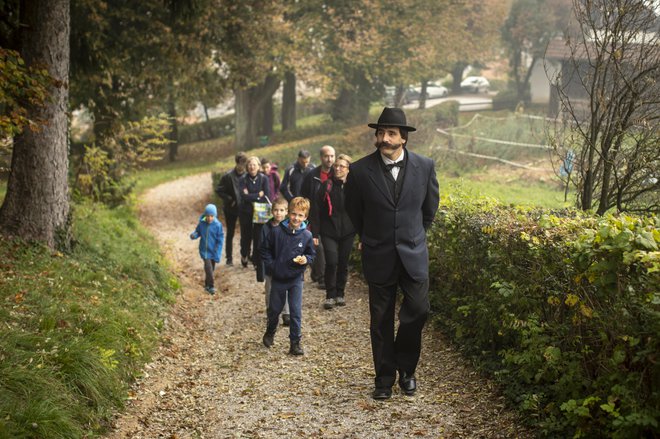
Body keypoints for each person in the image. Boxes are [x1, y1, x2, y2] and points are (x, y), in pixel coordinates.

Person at [345, 107, 439, 400]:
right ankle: (384, 378)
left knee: (418, 310)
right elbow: (354, 212)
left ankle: (407, 370)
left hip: (414, 254)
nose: (384, 138)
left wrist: (413, 236)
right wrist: (371, 237)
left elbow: (429, 210)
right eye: (380, 133)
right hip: (378, 253)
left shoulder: (425, 167)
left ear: (404, 139)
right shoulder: (360, 171)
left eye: (390, 133)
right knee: (381, 320)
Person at [260, 197, 316, 356]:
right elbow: (265, 250)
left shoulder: (307, 236)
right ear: (288, 214)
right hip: (278, 278)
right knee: (275, 310)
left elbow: (311, 254)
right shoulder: (276, 232)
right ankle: (270, 331)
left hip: (296, 279)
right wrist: (272, 266)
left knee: (295, 312)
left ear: (305, 217)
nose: (296, 218)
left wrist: (306, 259)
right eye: (293, 214)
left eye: (300, 215)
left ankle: (295, 343)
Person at [310, 154, 356, 310]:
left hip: (348, 232)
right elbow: (315, 211)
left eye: (342, 166)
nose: (337, 168)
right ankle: (330, 295)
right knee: (331, 262)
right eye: (336, 166)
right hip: (328, 231)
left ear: (348, 169)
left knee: (343, 263)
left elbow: (361, 210)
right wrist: (314, 234)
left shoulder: (354, 187)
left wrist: (363, 234)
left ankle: (340, 294)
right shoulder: (326, 186)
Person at [301, 145, 335, 289]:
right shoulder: (312, 175)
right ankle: (321, 277)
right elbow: (303, 194)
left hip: (332, 218)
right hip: (314, 217)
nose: (330, 159)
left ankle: (318, 274)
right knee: (318, 246)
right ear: (321, 158)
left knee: (328, 248)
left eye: (332, 156)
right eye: (327, 156)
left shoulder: (337, 173)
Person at [260, 197, 291, 326]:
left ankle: (286, 313)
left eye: (281, 210)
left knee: (286, 290)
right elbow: (262, 247)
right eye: (276, 210)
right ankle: (271, 311)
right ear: (272, 212)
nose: (278, 213)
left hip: (285, 266)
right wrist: (268, 264)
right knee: (270, 290)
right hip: (270, 266)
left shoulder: (289, 227)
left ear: (286, 212)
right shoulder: (266, 228)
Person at [238, 156, 270, 270]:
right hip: (245, 211)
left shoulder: (264, 179)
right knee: (246, 235)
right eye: (250, 165)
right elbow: (243, 196)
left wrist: (251, 196)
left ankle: (256, 259)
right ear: (247, 167)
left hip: (261, 211)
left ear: (259, 167)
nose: (252, 167)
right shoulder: (243, 179)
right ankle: (244, 254)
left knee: (259, 236)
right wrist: (257, 195)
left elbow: (266, 195)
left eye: (254, 165)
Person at [215, 152, 247, 266]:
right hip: (231, 208)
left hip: (244, 208)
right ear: (237, 163)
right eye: (240, 164)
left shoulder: (247, 175)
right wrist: (229, 199)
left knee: (245, 233)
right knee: (230, 233)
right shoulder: (228, 176)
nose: (242, 167)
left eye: (244, 164)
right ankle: (229, 258)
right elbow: (219, 190)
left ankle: (245, 256)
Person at [189, 203, 225, 295]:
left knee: (211, 269)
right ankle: (212, 286)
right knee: (208, 268)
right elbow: (198, 232)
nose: (209, 218)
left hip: (214, 251)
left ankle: (207, 285)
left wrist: (217, 253)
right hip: (204, 251)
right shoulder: (202, 223)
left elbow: (220, 240)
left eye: (212, 216)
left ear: (215, 215)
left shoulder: (217, 225)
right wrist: (194, 235)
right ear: (205, 215)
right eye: (208, 216)